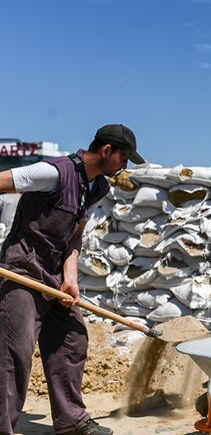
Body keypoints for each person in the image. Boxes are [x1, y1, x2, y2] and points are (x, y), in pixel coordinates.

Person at [0, 124, 144, 435]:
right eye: (124, 157)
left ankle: (71, 421)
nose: (125, 165)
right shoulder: (54, 172)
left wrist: (70, 279)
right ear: (106, 150)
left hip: (53, 276)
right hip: (23, 270)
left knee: (72, 337)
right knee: (15, 351)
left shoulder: (94, 187)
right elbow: (2, 182)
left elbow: (74, 237)